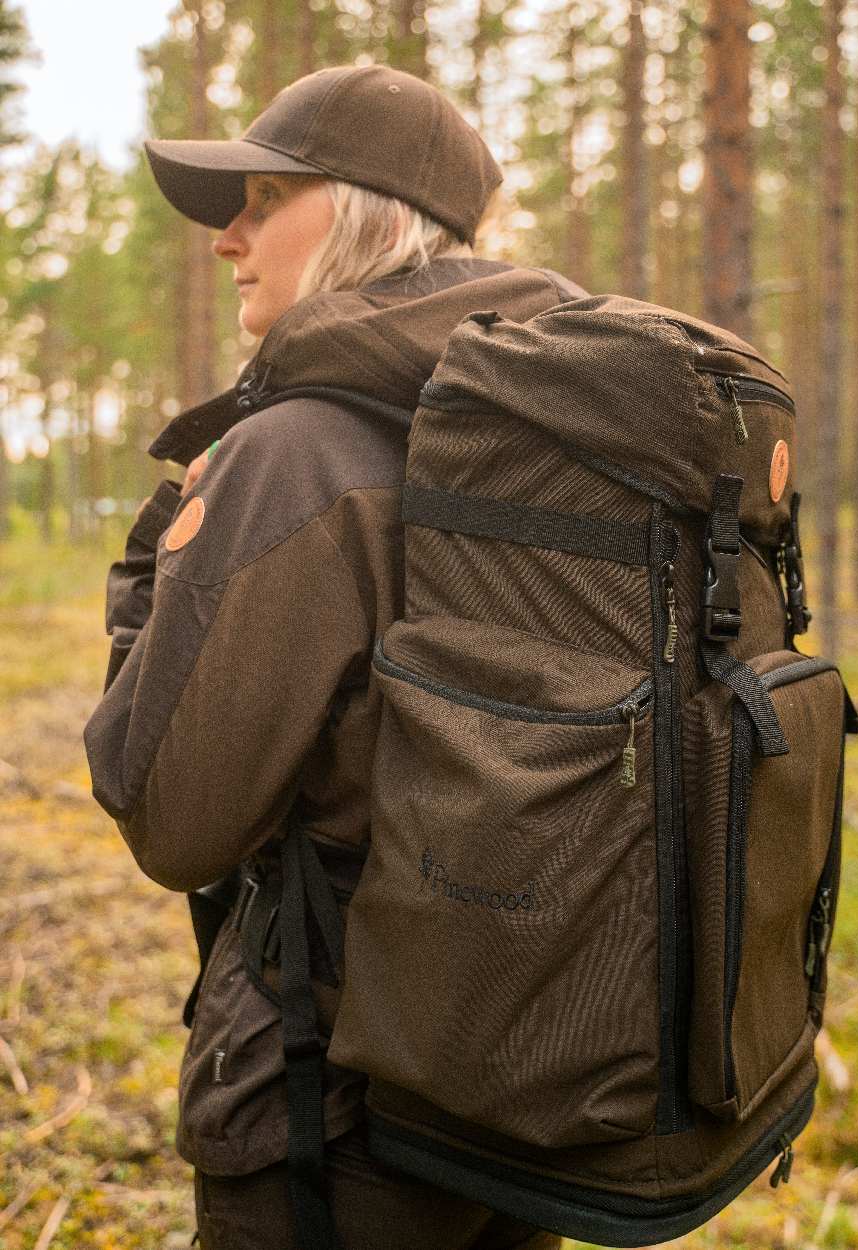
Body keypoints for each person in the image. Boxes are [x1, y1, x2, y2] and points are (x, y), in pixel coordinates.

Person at [83, 63, 588, 1250]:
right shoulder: (555, 432)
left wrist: (158, 568)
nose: (227, 240)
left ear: (362, 209)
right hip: (539, 1060)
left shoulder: (297, 453)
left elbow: (170, 815)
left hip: (333, 1102)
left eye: (260, 199)